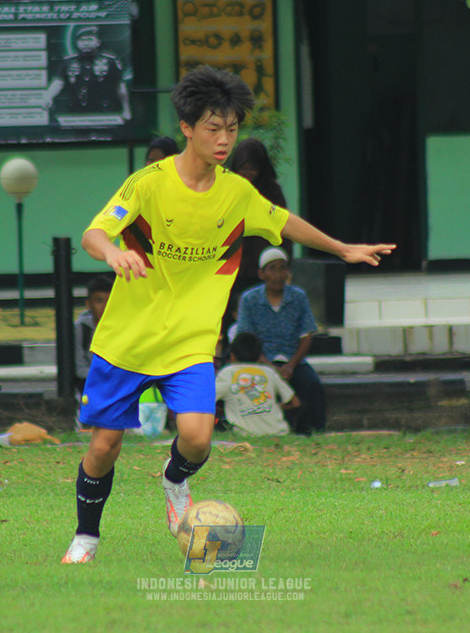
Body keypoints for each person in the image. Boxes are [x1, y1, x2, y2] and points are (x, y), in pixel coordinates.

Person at [62, 65, 395, 564]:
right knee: (105, 444)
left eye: (232, 129)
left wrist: (341, 248)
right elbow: (94, 233)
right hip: (126, 339)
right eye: (213, 128)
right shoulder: (148, 184)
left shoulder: (236, 193)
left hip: (190, 341)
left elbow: (285, 223)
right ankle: (86, 536)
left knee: (197, 437)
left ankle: (175, 482)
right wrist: (112, 254)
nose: (224, 139)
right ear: (188, 130)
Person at [235, 246, 326, 435]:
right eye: (272, 269)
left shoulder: (298, 297)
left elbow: (306, 336)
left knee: (312, 384)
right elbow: (247, 340)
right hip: (260, 361)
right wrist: (270, 367)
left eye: (282, 268)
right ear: (261, 274)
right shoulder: (249, 299)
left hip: (293, 360)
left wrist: (291, 365)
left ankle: (314, 431)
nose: (278, 274)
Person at [229, 137, 292, 298]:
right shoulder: (229, 190)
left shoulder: (272, 192)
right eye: (243, 168)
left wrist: (284, 266)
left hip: (266, 269)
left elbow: (283, 227)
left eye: (253, 168)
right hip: (234, 267)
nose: (248, 174)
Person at [216, 331, 299, 436]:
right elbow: (295, 403)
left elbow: (206, 401)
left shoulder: (228, 373)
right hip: (279, 433)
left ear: (232, 356)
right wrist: (273, 408)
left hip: (245, 434)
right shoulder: (269, 372)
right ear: (260, 357)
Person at [42, 25, 131, 121]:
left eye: (89, 40)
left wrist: (126, 108)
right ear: (76, 43)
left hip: (104, 109)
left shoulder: (109, 61)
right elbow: (58, 82)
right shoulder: (68, 61)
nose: (86, 43)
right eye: (82, 40)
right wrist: (48, 96)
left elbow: (120, 85)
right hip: (76, 110)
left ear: (98, 42)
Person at [73, 275, 114, 395]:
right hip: (91, 391)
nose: (105, 307)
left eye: (110, 301)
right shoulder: (81, 329)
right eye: (99, 301)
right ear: (88, 304)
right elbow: (79, 369)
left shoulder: (125, 329)